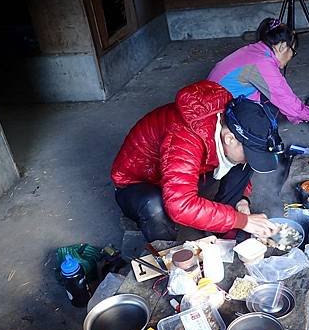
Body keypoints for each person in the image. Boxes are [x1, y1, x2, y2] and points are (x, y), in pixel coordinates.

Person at [111, 80, 281, 242]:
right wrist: (243, 221)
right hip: (139, 183)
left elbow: (244, 160)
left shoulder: (229, 118)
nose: (251, 158)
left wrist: (242, 199)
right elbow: (180, 205)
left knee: (244, 161)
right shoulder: (184, 138)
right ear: (229, 138)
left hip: (180, 170)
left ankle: (226, 232)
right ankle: (167, 253)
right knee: (154, 206)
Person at [208, 18, 309, 125]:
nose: (291, 57)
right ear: (283, 47)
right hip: (217, 112)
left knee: (271, 103)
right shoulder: (262, 62)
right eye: (293, 52)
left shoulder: (257, 50)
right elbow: (282, 95)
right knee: (267, 123)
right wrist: (308, 112)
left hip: (212, 97)